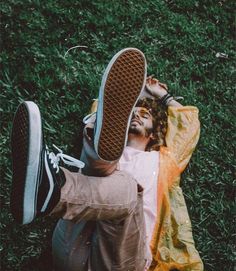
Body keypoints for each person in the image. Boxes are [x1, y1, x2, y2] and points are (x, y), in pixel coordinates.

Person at [10, 48, 203, 271]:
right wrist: (133, 93)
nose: (136, 116)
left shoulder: (164, 161)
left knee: (129, 189)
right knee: (99, 155)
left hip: (121, 260)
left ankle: (52, 189)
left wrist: (161, 95)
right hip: (73, 244)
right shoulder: (109, 151)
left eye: (144, 115)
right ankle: (48, 190)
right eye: (132, 112)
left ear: (153, 134)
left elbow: (188, 125)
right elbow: (104, 109)